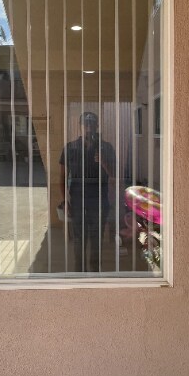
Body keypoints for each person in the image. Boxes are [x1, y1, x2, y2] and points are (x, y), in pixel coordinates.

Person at [59, 112, 115, 272]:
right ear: (81, 126)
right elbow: (62, 177)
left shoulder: (106, 147)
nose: (89, 127)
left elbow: (114, 176)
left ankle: (95, 272)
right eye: (86, 123)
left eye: (92, 123)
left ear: (97, 126)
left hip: (99, 200)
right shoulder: (70, 148)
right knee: (79, 238)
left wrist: (103, 161)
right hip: (77, 201)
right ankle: (79, 272)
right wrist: (65, 202)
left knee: (97, 237)